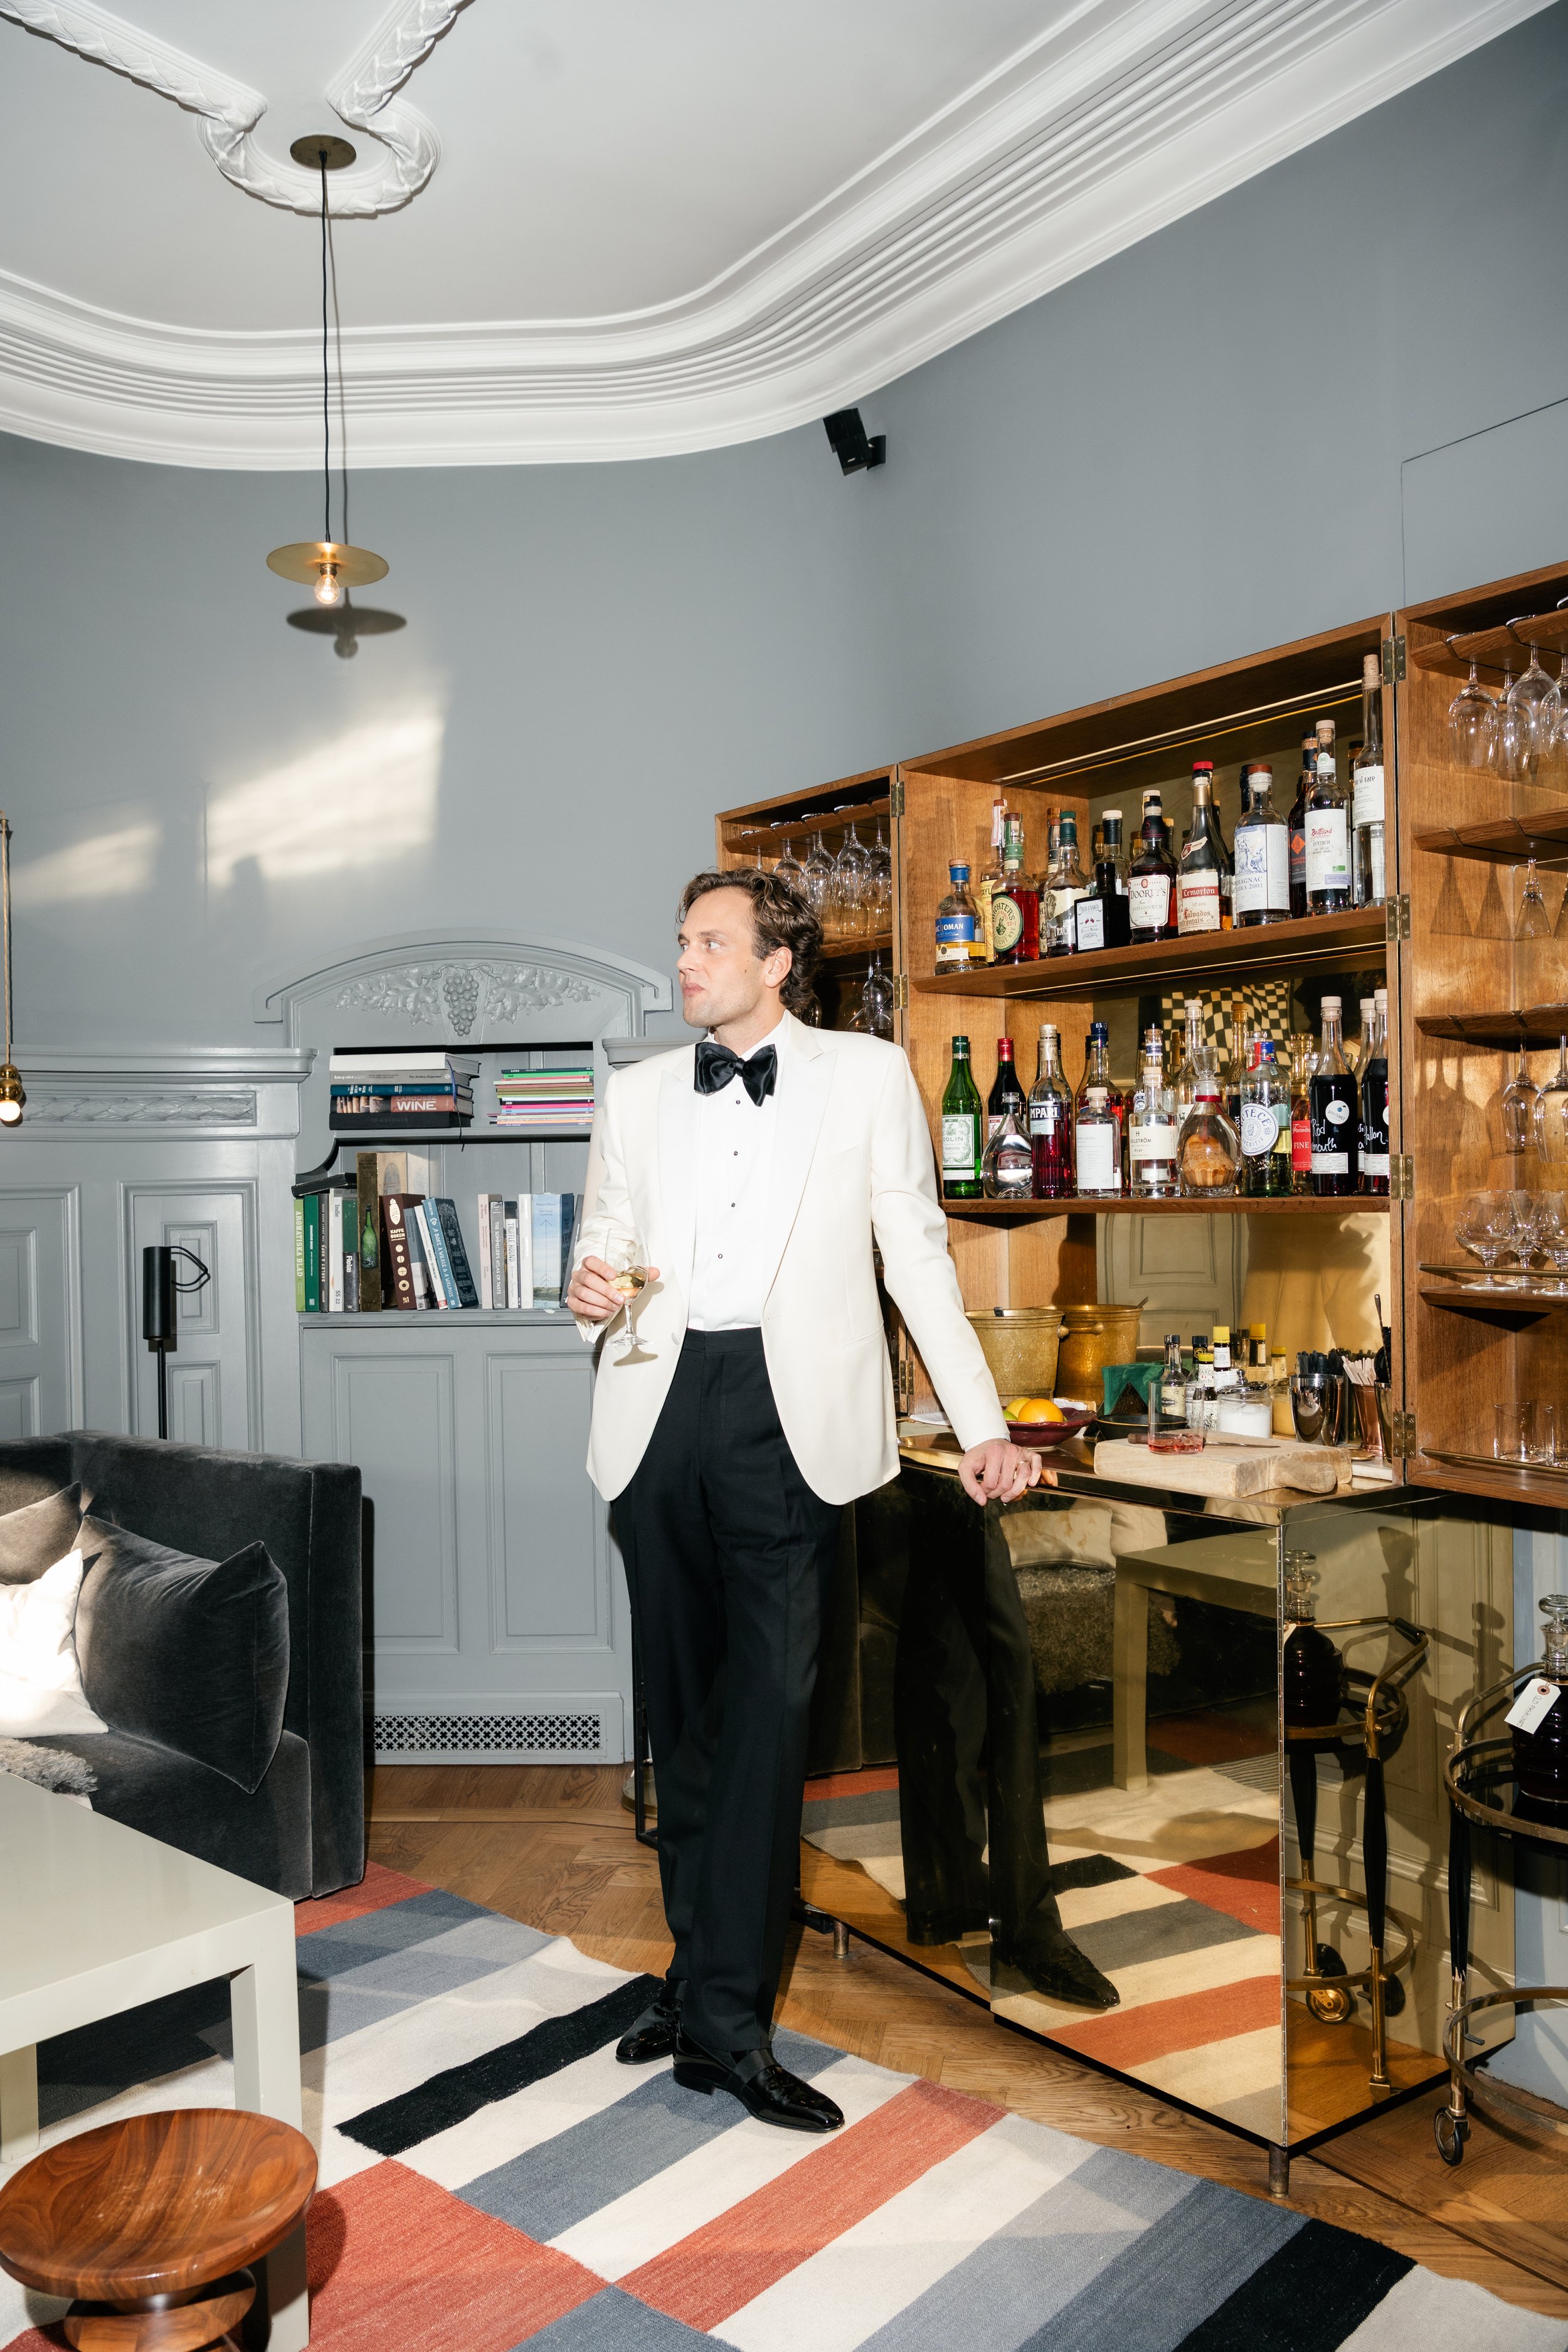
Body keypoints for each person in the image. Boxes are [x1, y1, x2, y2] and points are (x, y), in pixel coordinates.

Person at [566, 866, 1115, 2136]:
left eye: (708, 941)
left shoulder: (864, 1076)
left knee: (768, 1720)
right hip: (655, 1412)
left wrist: (983, 1425)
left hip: (791, 1426)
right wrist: (585, 1292)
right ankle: (697, 1973)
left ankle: (725, 2025)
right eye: (681, 937)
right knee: (683, 1722)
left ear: (777, 962)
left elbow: (914, 1255)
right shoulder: (639, 1092)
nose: (684, 960)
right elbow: (602, 1242)